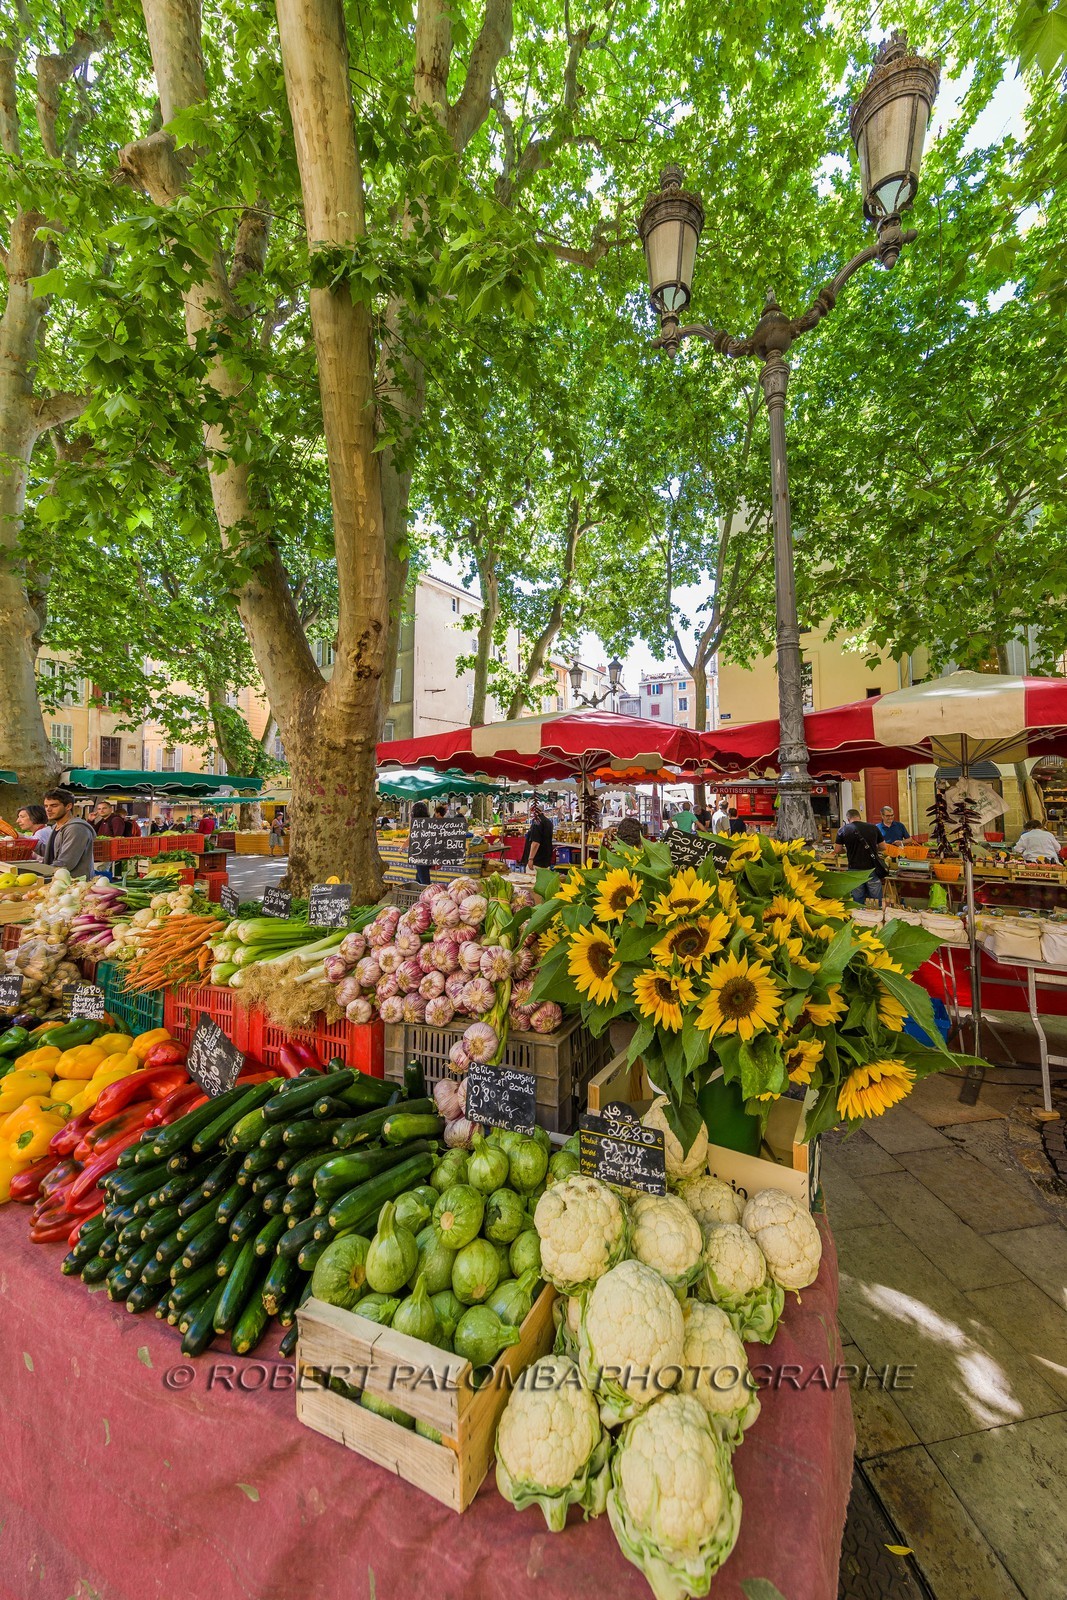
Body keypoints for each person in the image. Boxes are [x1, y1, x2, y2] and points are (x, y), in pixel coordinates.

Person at [31, 789, 96, 879]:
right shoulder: (56, 827)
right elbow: (51, 852)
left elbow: (65, 863)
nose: (48, 809)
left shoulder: (76, 828)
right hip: (57, 880)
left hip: (74, 885)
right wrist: (27, 841)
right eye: (46, 806)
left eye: (54, 805)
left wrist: (38, 872)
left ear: (68, 806)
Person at [835, 807, 887, 905]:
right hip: (872, 868)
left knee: (858, 899)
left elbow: (837, 850)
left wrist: (847, 850)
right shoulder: (873, 827)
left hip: (854, 869)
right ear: (859, 817)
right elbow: (883, 847)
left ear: (848, 819)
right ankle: (878, 917)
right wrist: (873, 849)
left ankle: (859, 917)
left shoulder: (843, 830)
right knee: (876, 899)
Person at [520, 798, 554, 870]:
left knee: (532, 880)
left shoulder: (537, 822)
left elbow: (535, 842)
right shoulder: (548, 821)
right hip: (545, 860)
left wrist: (531, 859)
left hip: (537, 862)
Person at [410, 800, 432, 885]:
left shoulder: (416, 824)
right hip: (429, 853)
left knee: (424, 880)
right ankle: (419, 891)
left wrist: (402, 847)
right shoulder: (430, 822)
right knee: (420, 876)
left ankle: (425, 892)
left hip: (420, 854)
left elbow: (411, 837)